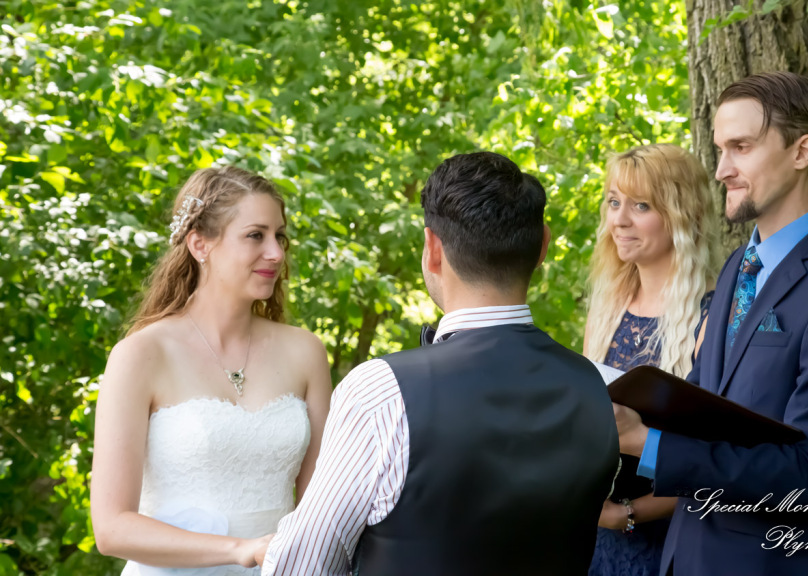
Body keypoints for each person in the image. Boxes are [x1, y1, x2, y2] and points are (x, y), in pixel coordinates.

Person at [260, 151, 620, 576]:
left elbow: (302, 566)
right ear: (543, 245)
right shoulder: (597, 385)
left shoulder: (380, 391)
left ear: (433, 249)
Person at [614, 72, 808, 576]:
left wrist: (646, 443)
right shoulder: (739, 265)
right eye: (720, 149)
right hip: (683, 557)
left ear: (802, 151)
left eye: (740, 147)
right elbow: (701, 412)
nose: (721, 169)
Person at [90, 166, 332, 575]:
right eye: (256, 235)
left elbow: (323, 505)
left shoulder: (305, 352)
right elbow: (111, 528)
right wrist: (242, 550)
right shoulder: (141, 354)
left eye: (280, 236)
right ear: (200, 244)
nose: (276, 252)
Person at [583, 144, 712, 576]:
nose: (619, 220)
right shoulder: (607, 307)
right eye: (614, 202)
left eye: (641, 205)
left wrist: (631, 513)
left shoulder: (711, 314)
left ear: (682, 213)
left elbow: (718, 456)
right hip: (596, 536)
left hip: (672, 540)